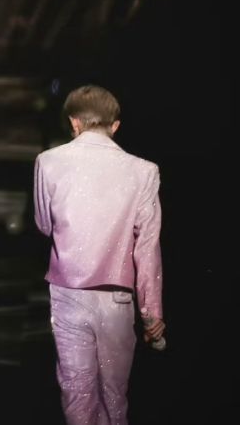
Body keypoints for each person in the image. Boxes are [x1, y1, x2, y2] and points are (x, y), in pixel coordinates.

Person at [34, 85, 165, 425]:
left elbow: (44, 225)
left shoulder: (48, 162)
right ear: (115, 126)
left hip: (68, 293)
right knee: (114, 396)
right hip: (116, 300)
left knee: (77, 392)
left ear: (74, 122)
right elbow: (147, 247)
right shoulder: (143, 171)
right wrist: (151, 314)